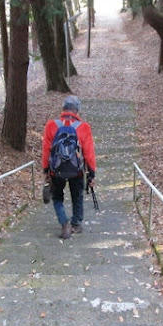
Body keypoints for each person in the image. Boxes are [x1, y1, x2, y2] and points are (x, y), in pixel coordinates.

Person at [42, 95, 96, 239]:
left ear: (63, 109)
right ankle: (76, 224)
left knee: (57, 197)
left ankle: (64, 222)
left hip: (56, 170)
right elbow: (89, 152)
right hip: (76, 170)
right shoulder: (84, 127)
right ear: (77, 111)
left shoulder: (51, 125)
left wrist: (46, 170)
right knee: (77, 196)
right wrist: (91, 173)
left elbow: (47, 149)